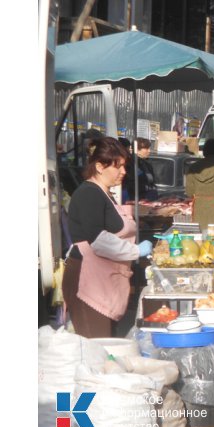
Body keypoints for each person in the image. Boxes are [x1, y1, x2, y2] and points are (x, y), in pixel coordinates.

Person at [62, 137, 153, 338]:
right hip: (88, 283)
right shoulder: (89, 194)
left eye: (124, 166)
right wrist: (136, 251)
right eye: (118, 166)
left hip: (105, 281)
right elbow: (98, 240)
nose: (124, 172)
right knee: (97, 349)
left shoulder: (105, 194)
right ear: (99, 166)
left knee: (107, 347)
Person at [123, 137, 158, 202]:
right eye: (146, 148)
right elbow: (132, 183)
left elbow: (152, 181)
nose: (149, 151)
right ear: (137, 150)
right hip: (135, 199)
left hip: (149, 198)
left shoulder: (147, 164)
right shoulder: (130, 163)